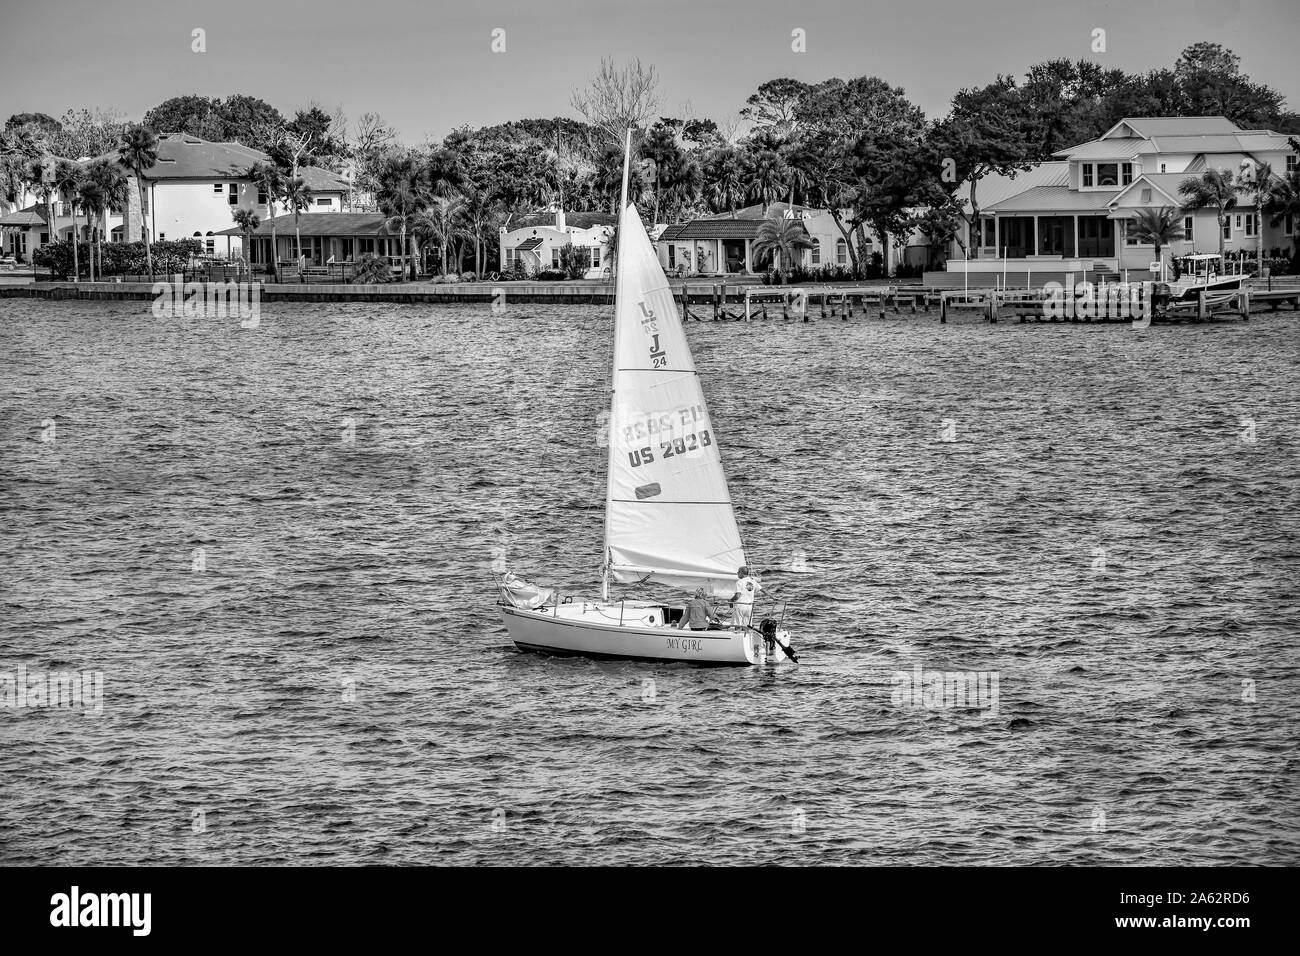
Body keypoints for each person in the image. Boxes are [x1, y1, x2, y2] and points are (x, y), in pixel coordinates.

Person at [729, 566, 762, 630]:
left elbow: (738, 595)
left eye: (738, 572)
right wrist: (772, 597)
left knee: (737, 625)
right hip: (749, 606)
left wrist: (730, 600)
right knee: (747, 626)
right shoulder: (753, 581)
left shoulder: (739, 582)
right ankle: (747, 637)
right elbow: (762, 589)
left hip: (740, 606)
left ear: (741, 572)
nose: (737, 573)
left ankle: (737, 636)